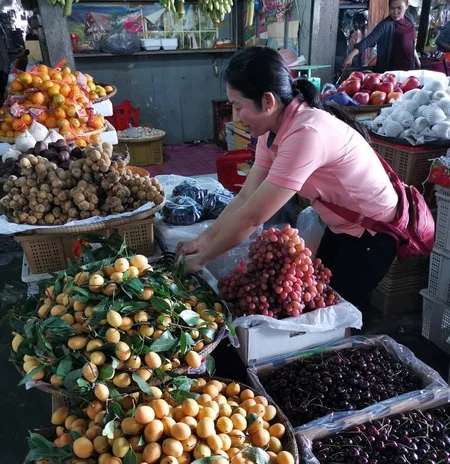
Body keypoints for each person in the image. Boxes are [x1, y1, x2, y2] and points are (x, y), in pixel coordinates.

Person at [177, 46, 400, 310]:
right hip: (343, 225)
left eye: (238, 107)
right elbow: (247, 197)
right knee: (321, 300)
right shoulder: (270, 129)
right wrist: (203, 240)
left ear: (268, 101)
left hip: (374, 231)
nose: (235, 117)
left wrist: (202, 260)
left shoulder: (306, 132)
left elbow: (253, 218)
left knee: (339, 310)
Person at [342, 0, 421, 73]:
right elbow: (368, 41)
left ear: (407, 6)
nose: (395, 12)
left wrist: (416, 59)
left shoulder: (409, 18)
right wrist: (351, 55)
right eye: (392, 8)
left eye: (399, 8)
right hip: (391, 72)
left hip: (409, 69)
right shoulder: (385, 25)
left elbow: (410, 42)